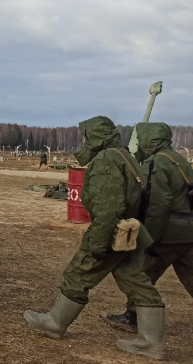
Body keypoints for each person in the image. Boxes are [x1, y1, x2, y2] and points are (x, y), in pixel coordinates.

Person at [24, 116, 165, 360]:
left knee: (78, 273)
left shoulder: (107, 160)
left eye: (86, 135)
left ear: (97, 136)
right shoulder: (123, 155)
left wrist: (98, 243)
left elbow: (109, 207)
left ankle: (56, 323)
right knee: (136, 281)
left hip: (111, 232)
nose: (83, 140)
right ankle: (151, 342)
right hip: (129, 233)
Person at [103, 123, 193, 337]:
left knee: (140, 274)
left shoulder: (157, 162)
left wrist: (149, 240)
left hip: (168, 234)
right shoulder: (179, 159)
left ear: (148, 140)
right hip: (188, 232)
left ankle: (132, 317)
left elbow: (159, 204)